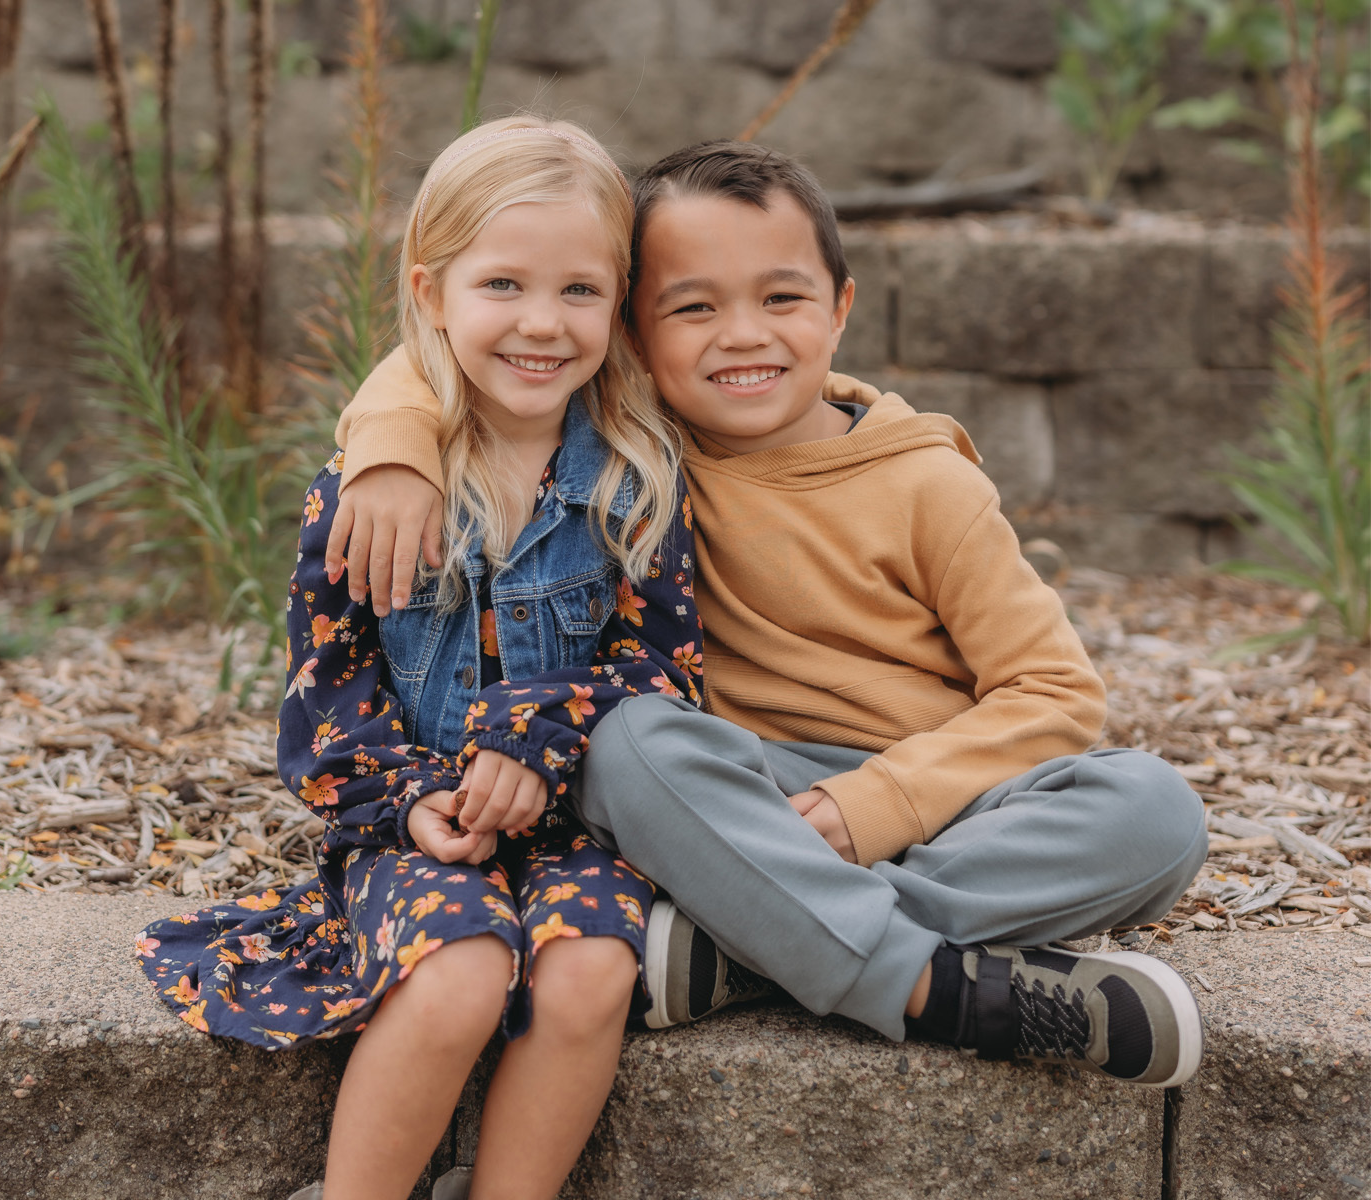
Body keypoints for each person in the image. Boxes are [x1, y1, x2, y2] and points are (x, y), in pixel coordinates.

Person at [324, 140, 1209, 1090]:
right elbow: (442, 346)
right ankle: (916, 977)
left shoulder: (925, 483)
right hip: (733, 800)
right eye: (693, 307)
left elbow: (1051, 690)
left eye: (781, 299)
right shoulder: (633, 448)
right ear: (629, 332)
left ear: (840, 309)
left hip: (937, 806)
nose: (742, 335)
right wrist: (389, 444)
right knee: (628, 742)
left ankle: (749, 952)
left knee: (1156, 814)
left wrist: (866, 809)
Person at [135, 116, 706, 1200]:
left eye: (581, 291)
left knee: (590, 974)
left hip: (580, 823)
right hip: (416, 831)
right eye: (503, 285)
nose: (542, 324)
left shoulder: (640, 484)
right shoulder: (365, 495)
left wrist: (543, 737)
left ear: (620, 299)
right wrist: (408, 807)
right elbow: (326, 708)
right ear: (431, 288)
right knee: (459, 977)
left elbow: (666, 672)